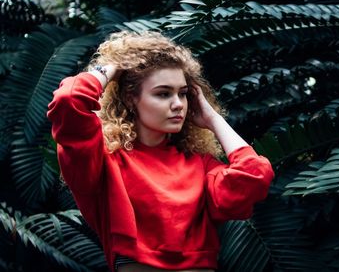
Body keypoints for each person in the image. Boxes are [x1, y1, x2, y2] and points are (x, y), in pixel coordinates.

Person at [47, 30, 275, 272]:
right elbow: (69, 100)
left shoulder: (199, 164)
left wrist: (213, 118)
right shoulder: (104, 163)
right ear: (130, 98)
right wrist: (116, 66)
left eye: (183, 94)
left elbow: (254, 176)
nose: (178, 104)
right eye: (163, 93)